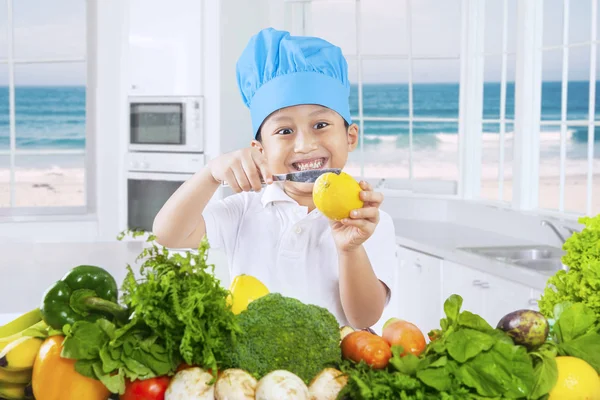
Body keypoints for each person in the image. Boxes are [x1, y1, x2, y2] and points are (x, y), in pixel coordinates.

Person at [152, 27, 397, 329]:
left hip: (335, 372)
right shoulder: (243, 209)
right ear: (261, 150)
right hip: (253, 375)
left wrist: (351, 249)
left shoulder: (369, 222)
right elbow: (168, 234)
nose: (305, 145)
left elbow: (364, 318)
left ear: (350, 137)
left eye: (320, 124)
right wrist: (210, 173)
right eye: (284, 131)